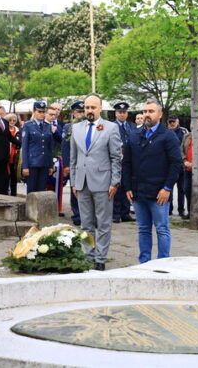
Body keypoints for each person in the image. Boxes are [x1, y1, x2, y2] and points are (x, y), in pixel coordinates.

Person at [123, 99, 182, 263]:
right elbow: (126, 163)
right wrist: (128, 187)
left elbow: (176, 164)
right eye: (145, 111)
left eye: (151, 111)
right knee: (143, 229)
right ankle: (144, 263)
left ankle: (163, 262)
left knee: (162, 228)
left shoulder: (168, 136)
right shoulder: (134, 135)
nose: (147, 114)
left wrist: (167, 188)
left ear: (160, 114)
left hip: (159, 193)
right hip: (138, 192)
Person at [69, 94, 122, 271]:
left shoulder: (111, 128)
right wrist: (73, 182)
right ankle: (88, 256)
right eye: (87, 108)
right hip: (82, 183)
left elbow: (116, 158)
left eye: (93, 107)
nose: (89, 110)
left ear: (100, 108)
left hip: (103, 183)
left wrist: (115, 182)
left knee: (103, 224)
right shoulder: (76, 128)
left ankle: (100, 258)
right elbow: (73, 158)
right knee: (86, 224)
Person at [21, 101, 61, 193]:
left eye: (43, 112)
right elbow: (25, 147)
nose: (42, 114)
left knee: (42, 190)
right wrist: (25, 166)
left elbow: (49, 148)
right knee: (31, 191)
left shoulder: (48, 126)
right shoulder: (28, 125)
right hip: (32, 164)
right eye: (39, 112)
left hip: (44, 164)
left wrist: (50, 165)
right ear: (34, 111)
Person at [62, 101, 85, 225]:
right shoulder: (68, 128)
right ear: (74, 113)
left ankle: (89, 216)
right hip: (74, 164)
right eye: (79, 111)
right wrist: (66, 165)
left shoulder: (91, 125)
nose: (81, 114)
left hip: (88, 164)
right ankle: (77, 215)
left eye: (83, 111)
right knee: (75, 189)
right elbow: (65, 147)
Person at [112, 101, 136, 223]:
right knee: (117, 185)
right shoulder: (111, 126)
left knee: (127, 185)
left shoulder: (132, 127)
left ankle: (125, 212)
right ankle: (115, 213)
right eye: (120, 112)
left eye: (124, 112)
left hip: (129, 161)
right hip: (116, 160)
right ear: (116, 114)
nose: (122, 114)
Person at [181, 117, 198, 220]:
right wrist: (185, 161)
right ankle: (190, 211)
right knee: (187, 190)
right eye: (191, 124)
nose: (192, 126)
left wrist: (195, 163)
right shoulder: (186, 136)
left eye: (195, 124)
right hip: (187, 169)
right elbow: (181, 150)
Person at [167, 115, 188, 218]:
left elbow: (186, 147)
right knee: (168, 188)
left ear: (178, 121)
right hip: (169, 165)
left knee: (182, 189)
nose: (172, 124)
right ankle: (169, 209)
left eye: (173, 122)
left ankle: (181, 210)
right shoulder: (165, 132)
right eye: (170, 122)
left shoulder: (184, 132)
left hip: (180, 164)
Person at [45, 106, 64, 213]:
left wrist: (55, 132)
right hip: (44, 159)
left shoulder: (59, 125)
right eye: (51, 113)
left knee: (56, 185)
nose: (54, 114)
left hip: (56, 159)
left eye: (57, 111)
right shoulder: (41, 125)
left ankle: (55, 208)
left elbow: (62, 140)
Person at [6, 113, 21, 196]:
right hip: (5, 155)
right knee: (5, 176)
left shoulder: (18, 130)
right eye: (10, 120)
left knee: (14, 176)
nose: (12, 122)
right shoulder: (4, 129)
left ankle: (13, 193)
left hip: (15, 156)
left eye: (14, 120)